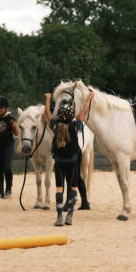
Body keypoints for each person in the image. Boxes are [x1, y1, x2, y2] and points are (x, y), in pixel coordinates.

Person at [44, 91, 94, 226]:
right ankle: (70, 215)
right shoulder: (76, 125)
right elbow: (84, 111)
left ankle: (59, 216)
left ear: (60, 116)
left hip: (59, 163)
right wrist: (88, 98)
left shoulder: (55, 125)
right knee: (73, 188)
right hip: (73, 162)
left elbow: (46, 113)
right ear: (72, 116)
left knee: (59, 188)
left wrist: (48, 99)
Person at [0, 97, 19, 199]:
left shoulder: (10, 119)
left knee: (6, 166)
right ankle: (0, 191)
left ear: (6, 108)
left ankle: (8, 189)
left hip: (8, 144)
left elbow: (16, 134)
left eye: (1, 108)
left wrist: (15, 127)